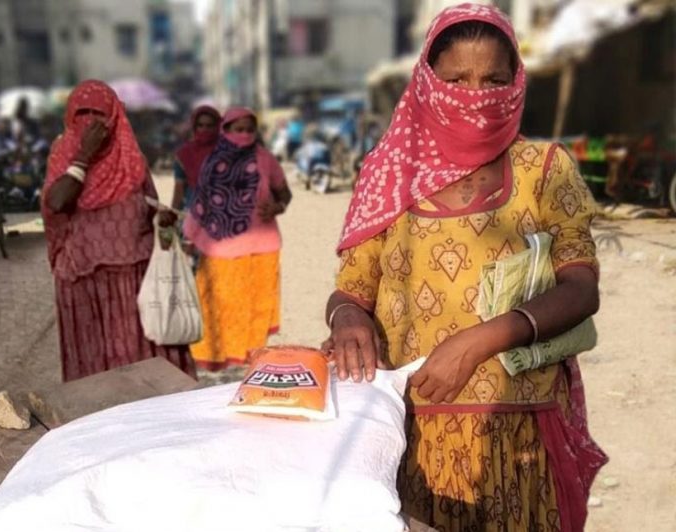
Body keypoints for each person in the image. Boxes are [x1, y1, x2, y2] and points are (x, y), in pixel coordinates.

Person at [324, 5, 606, 531]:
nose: (477, 97)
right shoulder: (390, 174)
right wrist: (347, 319)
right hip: (411, 432)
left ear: (516, 81)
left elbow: (580, 288)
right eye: (458, 80)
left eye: (494, 80)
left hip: (517, 432)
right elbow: (351, 290)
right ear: (429, 83)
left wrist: (480, 341)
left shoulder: (544, 169)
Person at [42, 80, 197, 382]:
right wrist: (84, 156)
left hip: (135, 281)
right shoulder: (63, 155)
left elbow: (156, 217)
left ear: (114, 115)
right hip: (84, 281)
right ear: (71, 115)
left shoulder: (131, 160)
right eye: (82, 112)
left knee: (143, 372)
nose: (91, 121)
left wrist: (163, 222)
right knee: (97, 378)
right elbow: (58, 201)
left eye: (99, 113)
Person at [181, 107, 292, 371]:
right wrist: (188, 238)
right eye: (237, 129)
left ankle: (250, 360)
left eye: (249, 130)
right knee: (217, 305)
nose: (244, 135)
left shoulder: (265, 159)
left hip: (261, 247)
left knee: (254, 306)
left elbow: (284, 192)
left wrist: (276, 207)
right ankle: (215, 362)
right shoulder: (213, 162)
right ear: (225, 130)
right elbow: (202, 203)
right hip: (219, 248)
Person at [171, 105, 221, 212]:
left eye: (209, 126)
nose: (204, 129)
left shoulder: (227, 153)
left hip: (223, 213)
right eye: (200, 125)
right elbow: (179, 189)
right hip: (192, 213)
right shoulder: (185, 154)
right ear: (194, 127)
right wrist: (173, 215)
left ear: (217, 126)